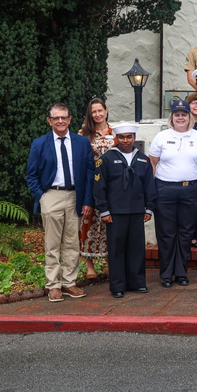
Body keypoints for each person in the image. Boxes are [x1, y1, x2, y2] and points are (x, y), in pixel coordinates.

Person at [26, 102, 95, 302]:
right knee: (52, 243)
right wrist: (42, 196)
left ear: (70, 119)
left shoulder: (81, 142)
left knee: (72, 242)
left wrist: (87, 200)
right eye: (56, 118)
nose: (60, 121)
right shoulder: (40, 144)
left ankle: (69, 282)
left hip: (75, 196)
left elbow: (90, 173)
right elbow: (31, 175)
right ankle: (53, 285)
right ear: (49, 121)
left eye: (64, 117)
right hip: (51, 196)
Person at [148, 100, 197, 287]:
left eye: (184, 114)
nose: (180, 117)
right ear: (171, 118)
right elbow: (152, 163)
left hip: (190, 189)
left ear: (189, 117)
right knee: (166, 233)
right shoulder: (162, 137)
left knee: (186, 232)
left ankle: (181, 272)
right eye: (177, 114)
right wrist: (152, 190)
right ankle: (166, 274)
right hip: (165, 189)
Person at [92, 123, 156, 298]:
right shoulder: (106, 159)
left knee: (136, 249)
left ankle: (137, 282)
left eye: (129, 137)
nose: (126, 140)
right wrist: (103, 210)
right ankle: (118, 285)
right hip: (115, 213)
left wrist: (149, 208)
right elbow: (99, 186)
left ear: (134, 138)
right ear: (116, 139)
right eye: (122, 137)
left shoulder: (143, 159)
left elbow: (149, 186)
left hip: (137, 211)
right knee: (117, 250)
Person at [78, 98, 113, 280]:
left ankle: (109, 263)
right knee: (88, 223)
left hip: (112, 186)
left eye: (100, 110)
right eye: (94, 112)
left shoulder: (116, 134)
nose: (97, 114)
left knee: (110, 224)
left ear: (106, 111)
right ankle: (89, 266)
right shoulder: (83, 134)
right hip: (91, 183)